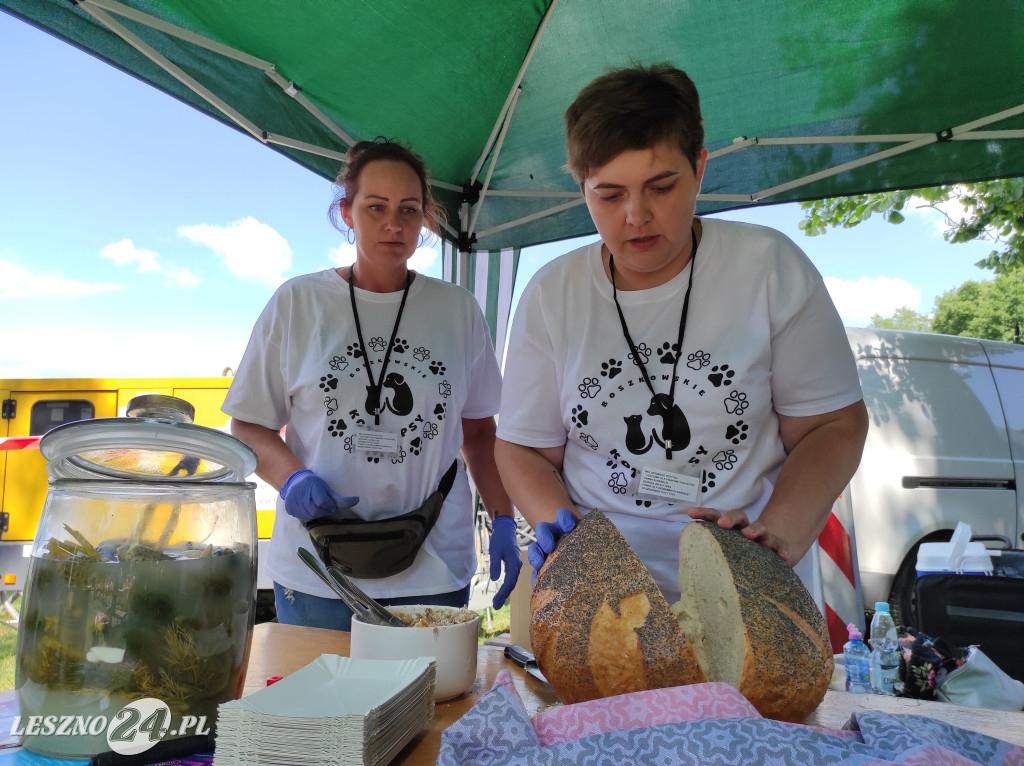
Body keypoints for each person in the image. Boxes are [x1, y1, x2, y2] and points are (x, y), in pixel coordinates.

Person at [495, 64, 868, 602]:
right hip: (601, 593)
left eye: (661, 186)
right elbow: (524, 448)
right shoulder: (554, 293)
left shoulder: (767, 267)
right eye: (609, 195)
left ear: (699, 167)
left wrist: (779, 535)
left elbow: (832, 426)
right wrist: (565, 533)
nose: (636, 215)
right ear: (582, 189)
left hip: (744, 592)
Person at [223, 138, 520, 630]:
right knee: (321, 708)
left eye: (409, 209)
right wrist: (291, 478)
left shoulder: (457, 309)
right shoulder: (299, 303)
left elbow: (480, 431)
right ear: (347, 212)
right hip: (317, 568)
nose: (393, 224)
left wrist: (504, 518)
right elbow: (249, 425)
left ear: (426, 216)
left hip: (434, 565)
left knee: (427, 704)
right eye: (375, 207)